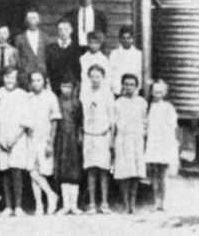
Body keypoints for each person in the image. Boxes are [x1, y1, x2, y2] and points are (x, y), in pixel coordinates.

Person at [0, 67, 32, 217]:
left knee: (16, 170)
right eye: (7, 77)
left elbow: (26, 120)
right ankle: (8, 206)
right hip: (2, 137)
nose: (9, 80)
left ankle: (18, 206)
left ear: (17, 79)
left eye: (12, 78)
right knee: (5, 171)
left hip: (17, 138)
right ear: (3, 78)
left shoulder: (23, 95)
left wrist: (14, 138)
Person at [27, 70, 61, 215]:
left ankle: (49, 197)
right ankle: (40, 203)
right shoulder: (28, 97)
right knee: (31, 170)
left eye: (39, 80)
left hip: (44, 137)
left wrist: (50, 143)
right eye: (33, 80)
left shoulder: (50, 96)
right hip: (30, 137)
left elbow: (54, 121)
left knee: (41, 171)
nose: (36, 83)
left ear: (44, 81)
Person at [82, 64, 114, 214]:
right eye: (92, 76)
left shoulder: (107, 94)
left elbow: (112, 118)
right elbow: (82, 115)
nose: (95, 79)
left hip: (103, 135)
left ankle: (105, 203)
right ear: (89, 77)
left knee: (103, 170)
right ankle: (92, 204)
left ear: (103, 78)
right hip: (89, 135)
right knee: (91, 170)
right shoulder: (84, 93)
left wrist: (112, 139)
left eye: (98, 77)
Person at [113, 73, 147, 214]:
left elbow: (144, 122)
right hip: (122, 139)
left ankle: (133, 203)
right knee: (124, 172)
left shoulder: (141, 102)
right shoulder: (118, 103)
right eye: (126, 84)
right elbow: (114, 124)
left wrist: (144, 138)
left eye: (132, 84)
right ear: (122, 86)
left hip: (137, 139)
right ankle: (126, 203)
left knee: (136, 173)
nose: (128, 87)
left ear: (137, 86)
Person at [145, 80, 179, 211]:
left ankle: (163, 202)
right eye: (154, 91)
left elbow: (173, 126)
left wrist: (174, 143)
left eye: (159, 92)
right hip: (153, 143)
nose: (156, 94)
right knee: (154, 174)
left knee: (163, 174)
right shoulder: (150, 107)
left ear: (164, 93)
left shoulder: (168, 107)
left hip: (164, 143)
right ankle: (155, 201)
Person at [54, 76, 84, 215]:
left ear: (73, 88)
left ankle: (74, 204)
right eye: (63, 86)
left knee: (74, 171)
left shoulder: (77, 103)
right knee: (63, 171)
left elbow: (80, 121)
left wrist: (79, 135)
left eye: (69, 87)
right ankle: (66, 205)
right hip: (61, 138)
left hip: (73, 139)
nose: (66, 90)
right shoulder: (56, 102)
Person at [46, 18, 82, 96]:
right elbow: (48, 69)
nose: (63, 32)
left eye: (66, 29)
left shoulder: (78, 49)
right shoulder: (51, 48)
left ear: (71, 30)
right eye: (60, 29)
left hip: (72, 89)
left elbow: (79, 71)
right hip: (54, 88)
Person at [14, 11, 49, 88]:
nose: (32, 20)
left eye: (34, 18)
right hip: (25, 74)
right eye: (30, 18)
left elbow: (47, 56)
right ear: (26, 20)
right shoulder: (19, 38)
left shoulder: (45, 37)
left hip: (42, 73)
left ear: (39, 20)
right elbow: (17, 58)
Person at [109, 26, 143, 96]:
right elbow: (111, 73)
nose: (126, 40)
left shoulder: (138, 54)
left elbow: (139, 74)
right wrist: (116, 88)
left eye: (128, 38)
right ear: (120, 39)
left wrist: (136, 89)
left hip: (134, 92)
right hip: (118, 91)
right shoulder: (114, 54)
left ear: (132, 39)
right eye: (123, 38)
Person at [79, 31, 111, 101]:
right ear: (88, 43)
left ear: (100, 44)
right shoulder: (83, 59)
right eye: (91, 43)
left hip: (100, 90)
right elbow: (82, 76)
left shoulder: (104, 59)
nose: (93, 45)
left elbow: (107, 78)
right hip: (86, 89)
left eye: (96, 43)